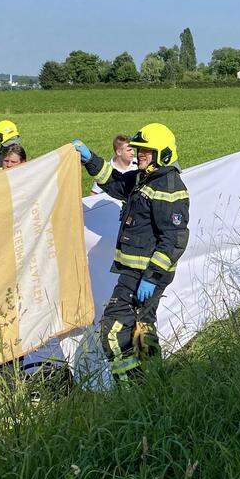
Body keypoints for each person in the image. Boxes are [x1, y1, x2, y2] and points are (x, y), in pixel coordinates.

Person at [71, 123, 189, 383]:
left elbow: (175, 239)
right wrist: (90, 159)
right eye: (139, 150)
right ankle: (155, 384)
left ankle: (131, 388)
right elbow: (114, 183)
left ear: (163, 154)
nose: (139, 155)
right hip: (134, 273)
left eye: (146, 151)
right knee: (142, 328)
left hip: (143, 276)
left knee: (113, 330)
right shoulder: (143, 177)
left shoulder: (168, 186)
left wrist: (152, 276)